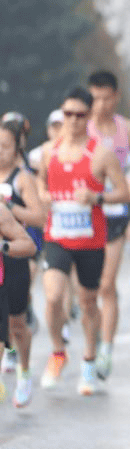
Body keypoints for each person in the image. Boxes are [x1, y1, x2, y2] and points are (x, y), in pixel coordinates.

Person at [38, 86, 130, 394]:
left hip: (91, 242)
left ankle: (89, 362)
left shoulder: (100, 154)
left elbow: (124, 192)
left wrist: (96, 197)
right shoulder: (49, 150)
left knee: (89, 302)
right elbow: (40, 181)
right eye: (68, 114)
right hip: (58, 237)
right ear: (62, 115)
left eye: (80, 115)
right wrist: (42, 195)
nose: (73, 121)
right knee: (52, 296)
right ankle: (57, 352)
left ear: (88, 117)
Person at [86, 71, 130, 373]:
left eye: (106, 97)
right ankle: (93, 338)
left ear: (116, 96)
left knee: (107, 285)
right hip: (84, 218)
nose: (100, 104)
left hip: (114, 216)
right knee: (88, 291)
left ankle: (106, 350)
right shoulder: (80, 128)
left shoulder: (128, 130)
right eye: (95, 97)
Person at [0, 120, 45, 406]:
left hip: (13, 258)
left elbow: (39, 219)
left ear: (17, 147)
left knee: (17, 324)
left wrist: (10, 207)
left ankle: (25, 373)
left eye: (5, 146)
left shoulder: (22, 178)